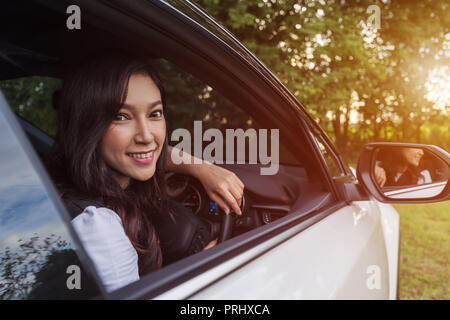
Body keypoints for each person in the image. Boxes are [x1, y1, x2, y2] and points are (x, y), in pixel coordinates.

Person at [46, 51, 244, 292]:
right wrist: (200, 276)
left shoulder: (61, 177)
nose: (147, 135)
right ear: (88, 124)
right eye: (121, 116)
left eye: (154, 114)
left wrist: (204, 169)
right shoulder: (99, 230)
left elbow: (154, 153)